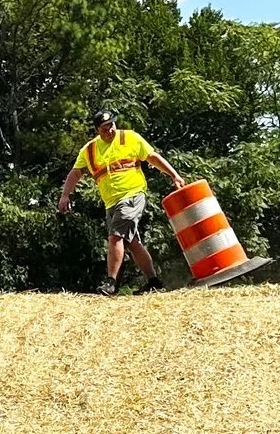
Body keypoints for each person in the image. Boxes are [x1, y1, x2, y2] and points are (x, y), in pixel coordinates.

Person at [57, 109, 186, 295]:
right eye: (104, 128)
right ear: (97, 130)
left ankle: (110, 283)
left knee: (115, 237)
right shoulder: (89, 150)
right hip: (110, 202)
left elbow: (153, 157)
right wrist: (65, 195)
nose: (110, 130)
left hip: (132, 195)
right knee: (132, 243)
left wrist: (174, 175)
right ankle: (154, 282)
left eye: (112, 125)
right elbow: (75, 173)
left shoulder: (130, 138)